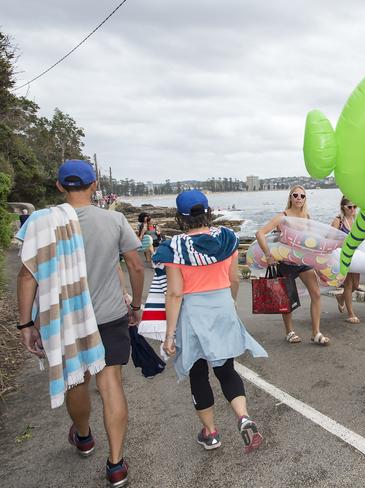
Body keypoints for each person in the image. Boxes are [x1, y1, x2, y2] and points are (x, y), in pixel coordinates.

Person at [16, 159, 144, 487]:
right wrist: (137, 304)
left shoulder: (41, 222)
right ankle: (116, 464)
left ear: (59, 186)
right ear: (94, 185)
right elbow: (136, 265)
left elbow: (27, 275)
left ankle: (84, 437)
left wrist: (25, 324)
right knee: (110, 381)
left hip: (66, 318)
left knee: (76, 379)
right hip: (110, 315)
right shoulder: (114, 219)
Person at [159, 190, 267, 452]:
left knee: (198, 374)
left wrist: (169, 335)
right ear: (208, 212)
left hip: (194, 313)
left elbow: (174, 293)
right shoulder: (227, 239)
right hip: (222, 307)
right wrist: (229, 303)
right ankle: (243, 417)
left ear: (180, 217)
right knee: (226, 369)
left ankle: (211, 434)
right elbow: (234, 279)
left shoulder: (174, 248)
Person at [255, 185, 329, 345]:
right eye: (295, 195)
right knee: (286, 299)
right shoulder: (282, 217)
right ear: (290, 197)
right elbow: (260, 233)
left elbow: (311, 241)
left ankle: (316, 332)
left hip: (303, 262)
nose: (299, 198)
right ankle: (289, 331)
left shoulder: (307, 217)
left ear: (305, 199)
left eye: (302, 196)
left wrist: (318, 262)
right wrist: (268, 255)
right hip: (286, 262)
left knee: (316, 294)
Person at [331, 196, 361, 324]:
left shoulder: (357, 219)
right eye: (350, 207)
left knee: (355, 285)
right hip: (343, 255)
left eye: (355, 207)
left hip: (358, 256)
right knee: (348, 284)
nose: (353, 209)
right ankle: (351, 314)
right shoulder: (339, 221)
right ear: (343, 206)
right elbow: (330, 237)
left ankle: (341, 297)